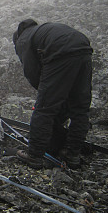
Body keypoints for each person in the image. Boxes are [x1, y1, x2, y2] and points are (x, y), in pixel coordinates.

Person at [13, 19, 93, 169]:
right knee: (80, 107)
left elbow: (32, 73)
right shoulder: (43, 30)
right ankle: (72, 153)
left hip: (61, 52)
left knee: (44, 107)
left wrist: (49, 95)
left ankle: (34, 155)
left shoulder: (23, 39)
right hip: (84, 49)